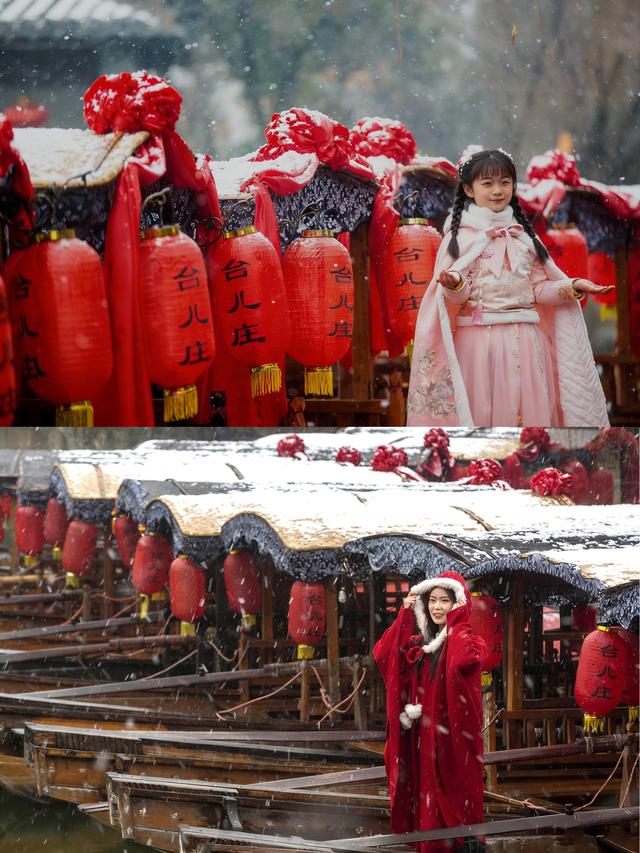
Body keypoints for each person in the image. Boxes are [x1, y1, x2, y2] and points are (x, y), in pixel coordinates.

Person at [406, 148, 612, 427]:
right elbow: (455, 299)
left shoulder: (523, 238)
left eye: (505, 182)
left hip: (527, 340)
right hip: (479, 343)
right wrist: (454, 285)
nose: (497, 190)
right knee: (483, 420)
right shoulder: (459, 240)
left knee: (530, 423)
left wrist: (571, 286)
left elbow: (538, 289)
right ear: (469, 189)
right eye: (487, 183)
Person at [374, 570, 485, 853]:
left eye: (445, 601)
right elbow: (383, 654)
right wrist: (404, 614)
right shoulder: (421, 644)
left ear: (457, 604)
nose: (437, 607)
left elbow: (459, 662)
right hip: (424, 741)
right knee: (427, 806)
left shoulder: (468, 641)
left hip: (452, 743)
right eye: (432, 600)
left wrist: (459, 619)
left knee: (454, 802)